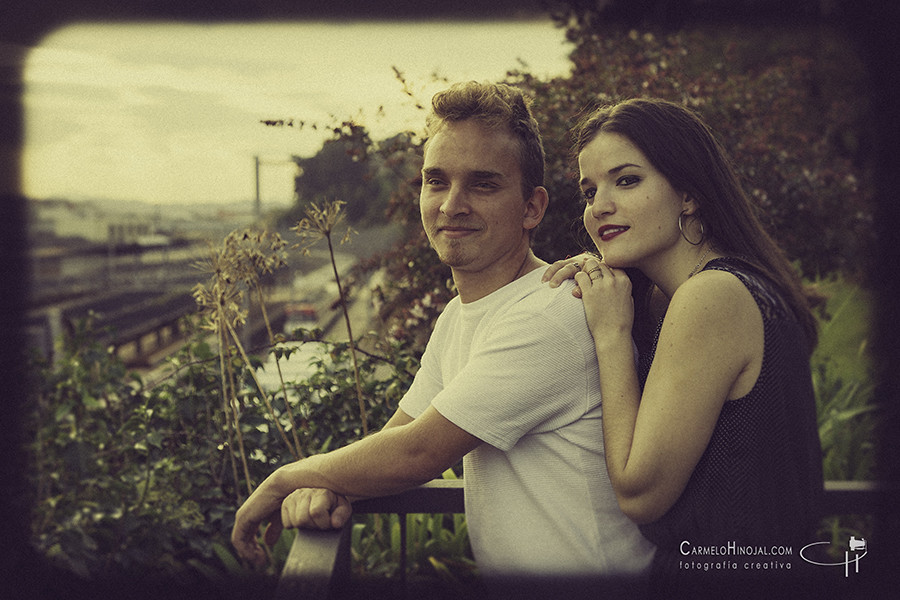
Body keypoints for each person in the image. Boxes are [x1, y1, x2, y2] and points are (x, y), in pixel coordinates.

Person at [231, 82, 654, 590]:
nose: (452, 205)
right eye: (436, 181)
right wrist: (331, 486)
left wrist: (285, 480)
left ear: (532, 208)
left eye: (483, 184)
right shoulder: (460, 315)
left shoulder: (552, 313)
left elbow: (418, 454)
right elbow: (393, 441)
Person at [544, 98, 824, 594]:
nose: (599, 205)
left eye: (626, 180)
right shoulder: (718, 291)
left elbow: (639, 492)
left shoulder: (710, 297)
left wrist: (610, 335)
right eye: (590, 191)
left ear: (689, 194)